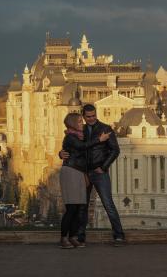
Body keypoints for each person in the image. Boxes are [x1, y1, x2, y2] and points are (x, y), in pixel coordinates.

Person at [60, 104, 126, 247]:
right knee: (82, 206)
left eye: (93, 116)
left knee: (108, 204)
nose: (91, 119)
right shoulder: (79, 130)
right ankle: (79, 237)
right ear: (83, 117)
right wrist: (60, 153)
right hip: (82, 172)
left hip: (99, 172)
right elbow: (73, 147)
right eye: (88, 116)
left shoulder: (105, 129)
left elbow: (115, 150)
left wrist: (103, 167)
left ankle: (119, 235)